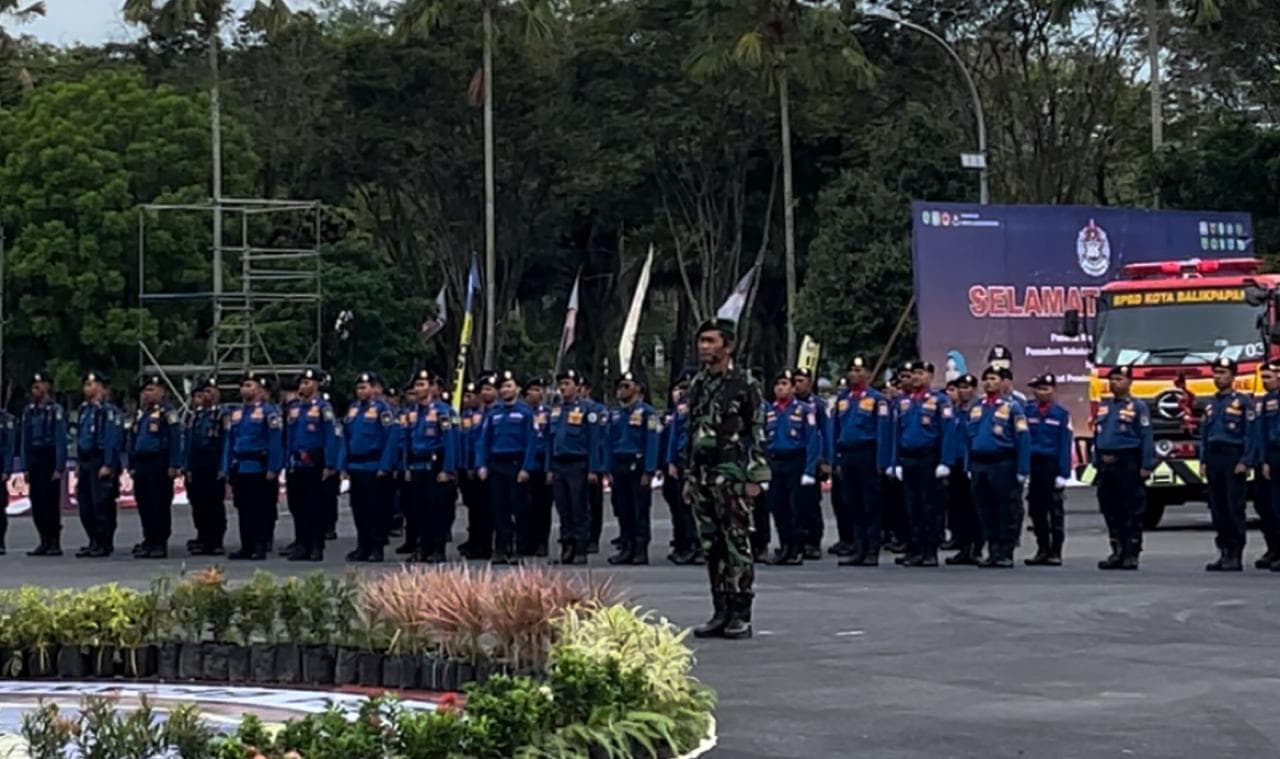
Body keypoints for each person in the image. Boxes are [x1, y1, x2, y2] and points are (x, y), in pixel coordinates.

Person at [684, 319, 768, 640]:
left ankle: (741, 612)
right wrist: (690, 477)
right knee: (711, 545)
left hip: (732, 475)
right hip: (703, 476)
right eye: (701, 341)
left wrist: (756, 475)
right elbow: (691, 431)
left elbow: (758, 430)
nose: (704, 347)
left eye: (710, 341)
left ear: (728, 346)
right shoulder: (699, 384)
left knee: (736, 543)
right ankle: (719, 610)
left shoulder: (745, 383)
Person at [961, 366, 1030, 568]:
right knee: (984, 508)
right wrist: (968, 465)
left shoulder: (1012, 407)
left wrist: (1023, 470)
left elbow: (1023, 439)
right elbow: (968, 438)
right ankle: (992, 550)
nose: (989, 382)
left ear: (1002, 382)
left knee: (1005, 508)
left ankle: (1005, 551)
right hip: (980, 463)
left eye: (993, 378)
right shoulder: (977, 407)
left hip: (1003, 462)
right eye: (986, 379)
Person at [889, 360, 955, 567]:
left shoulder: (940, 401)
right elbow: (896, 434)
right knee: (911, 506)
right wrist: (895, 462)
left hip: (929, 458)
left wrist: (945, 461)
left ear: (930, 376)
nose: (917, 377)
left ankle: (930, 551)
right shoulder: (902, 402)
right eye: (914, 373)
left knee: (930, 507)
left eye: (921, 373)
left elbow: (948, 433)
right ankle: (915, 549)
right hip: (908, 458)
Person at [833, 356, 891, 567]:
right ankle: (858, 548)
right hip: (847, 453)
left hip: (868, 453)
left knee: (871, 503)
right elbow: (836, 430)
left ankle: (872, 549)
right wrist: (835, 459)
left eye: (859, 370)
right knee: (852, 503)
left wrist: (882, 462)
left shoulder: (877, 399)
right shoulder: (843, 400)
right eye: (852, 371)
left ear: (868, 373)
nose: (855, 375)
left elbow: (883, 432)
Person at [1093, 365, 1153, 570]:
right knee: (1110, 508)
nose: (1114, 383)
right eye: (1112, 379)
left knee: (1131, 509)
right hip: (1106, 463)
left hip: (1127, 461)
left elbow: (1146, 436)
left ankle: (1131, 552)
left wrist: (1146, 464)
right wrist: (1096, 460)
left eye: (1119, 379)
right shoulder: (1105, 406)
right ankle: (1116, 550)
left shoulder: (1137, 407)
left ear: (1129, 382)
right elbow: (1098, 435)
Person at [477, 370, 539, 563]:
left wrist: (527, 467)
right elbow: (483, 441)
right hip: (497, 464)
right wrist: (481, 464)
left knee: (519, 509)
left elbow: (532, 442)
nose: (505, 390)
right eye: (502, 387)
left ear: (518, 389)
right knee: (499, 508)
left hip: (516, 463)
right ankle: (502, 548)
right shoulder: (494, 413)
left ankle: (520, 550)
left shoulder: (525, 412)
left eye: (509, 386)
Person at [222, 371, 284, 560]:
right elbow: (230, 441)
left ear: (260, 389)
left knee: (260, 508)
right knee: (243, 508)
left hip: (259, 466)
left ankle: (260, 545)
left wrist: (274, 467)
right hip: (241, 466)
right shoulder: (237, 413)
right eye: (243, 385)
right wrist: (226, 466)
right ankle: (246, 545)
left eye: (250, 385)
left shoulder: (269, 412)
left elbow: (275, 441)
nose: (244, 389)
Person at [1200, 357, 1255, 572]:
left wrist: (1246, 460)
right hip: (1214, 458)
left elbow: (1251, 434)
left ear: (1233, 376)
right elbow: (1205, 436)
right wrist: (1203, 460)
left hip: (1233, 456)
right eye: (1215, 373)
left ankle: (1235, 553)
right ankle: (1223, 552)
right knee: (1217, 507)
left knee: (1234, 507)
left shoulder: (1243, 402)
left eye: (1223, 373)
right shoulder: (1211, 404)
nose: (1218, 377)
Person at [762, 369, 820, 566]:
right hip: (775, 462)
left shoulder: (804, 410)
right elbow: (762, 442)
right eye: (778, 384)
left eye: (785, 384)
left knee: (797, 508)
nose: (780, 388)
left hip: (796, 461)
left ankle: (797, 548)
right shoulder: (769, 411)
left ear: (793, 388)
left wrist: (810, 470)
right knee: (778, 507)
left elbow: (813, 441)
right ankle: (784, 546)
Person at [546, 369, 602, 565]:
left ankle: (580, 547)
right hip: (559, 463)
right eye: (561, 384)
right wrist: (549, 468)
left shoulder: (588, 409)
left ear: (578, 387)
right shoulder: (555, 410)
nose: (563, 388)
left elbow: (594, 441)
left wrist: (594, 469)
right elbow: (549, 441)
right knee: (563, 508)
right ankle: (566, 546)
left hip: (578, 463)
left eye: (567, 383)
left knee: (579, 507)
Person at [342, 371, 399, 562]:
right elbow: (346, 437)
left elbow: (390, 439)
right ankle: (363, 545)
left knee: (376, 509)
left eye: (364, 387)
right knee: (359, 509)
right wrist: (343, 465)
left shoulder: (383, 409)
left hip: (374, 465)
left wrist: (385, 465)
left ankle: (376, 546)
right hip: (356, 465)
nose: (360, 391)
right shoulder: (353, 410)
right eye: (358, 388)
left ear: (375, 389)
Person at [284, 368, 340, 562]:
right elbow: (289, 436)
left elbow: (331, 437)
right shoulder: (294, 408)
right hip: (296, 462)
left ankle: (316, 546)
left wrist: (330, 463)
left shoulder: (324, 408)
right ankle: (301, 544)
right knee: (297, 506)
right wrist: (287, 460)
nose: (303, 386)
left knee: (315, 506)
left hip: (315, 462)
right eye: (301, 383)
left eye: (307, 383)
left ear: (316, 385)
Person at [606, 372, 661, 565]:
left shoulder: (649, 413)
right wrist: (608, 469)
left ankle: (640, 549)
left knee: (639, 508)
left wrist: (649, 470)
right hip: (619, 465)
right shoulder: (615, 414)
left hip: (637, 465)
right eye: (619, 386)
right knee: (622, 508)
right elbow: (609, 442)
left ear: (638, 388)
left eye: (626, 386)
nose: (621, 390)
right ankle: (626, 546)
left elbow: (653, 441)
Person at [404, 370, 458, 563]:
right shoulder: (413, 413)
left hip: (436, 465)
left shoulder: (443, 411)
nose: (418, 389)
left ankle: (438, 549)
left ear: (431, 387)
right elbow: (408, 441)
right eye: (416, 385)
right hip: (417, 464)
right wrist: (407, 466)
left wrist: (448, 469)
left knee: (438, 509)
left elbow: (450, 441)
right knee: (419, 510)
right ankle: (422, 548)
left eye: (422, 385)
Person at [129, 375, 182, 559]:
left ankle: (160, 542)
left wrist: (174, 463)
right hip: (142, 462)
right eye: (146, 390)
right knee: (144, 504)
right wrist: (132, 463)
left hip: (159, 461)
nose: (147, 394)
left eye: (152, 390)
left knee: (159, 503)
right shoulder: (141, 413)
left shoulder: (168, 412)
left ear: (162, 392)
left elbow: (176, 439)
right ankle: (149, 539)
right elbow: (133, 439)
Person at [73, 371, 124, 558]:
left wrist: (108, 464)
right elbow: (81, 437)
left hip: (100, 460)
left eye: (91, 384)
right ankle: (93, 540)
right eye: (85, 384)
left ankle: (104, 542)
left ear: (102, 388)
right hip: (86, 460)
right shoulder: (84, 410)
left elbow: (113, 440)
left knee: (101, 503)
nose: (87, 388)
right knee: (85, 504)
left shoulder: (109, 411)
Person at [1024, 374, 1072, 566]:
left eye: (1046, 389)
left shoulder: (1060, 413)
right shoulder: (1028, 411)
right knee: (1036, 510)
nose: (1042, 392)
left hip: (1051, 464)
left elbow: (1064, 444)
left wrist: (1063, 474)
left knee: (1054, 510)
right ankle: (1042, 548)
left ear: (1053, 390)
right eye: (1038, 389)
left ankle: (1055, 551)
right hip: (1033, 463)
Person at [21, 372, 67, 557]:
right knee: (37, 501)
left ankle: (54, 541)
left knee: (51, 502)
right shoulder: (29, 411)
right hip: (35, 458)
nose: (36, 389)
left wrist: (59, 466)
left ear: (48, 387)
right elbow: (25, 439)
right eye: (34, 386)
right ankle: (43, 540)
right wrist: (25, 466)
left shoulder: (55, 410)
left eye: (40, 385)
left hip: (49, 457)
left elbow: (60, 440)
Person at [182, 376, 226, 555]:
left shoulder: (222, 415)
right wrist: (187, 467)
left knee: (214, 503)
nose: (206, 395)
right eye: (204, 392)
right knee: (198, 503)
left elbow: (225, 442)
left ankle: (215, 540)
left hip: (213, 462)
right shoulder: (196, 416)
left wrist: (223, 467)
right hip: (197, 463)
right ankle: (202, 536)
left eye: (210, 391)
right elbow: (189, 443)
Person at [792, 368, 832, 559]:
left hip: (813, 459)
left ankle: (813, 541)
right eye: (795, 381)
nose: (798, 384)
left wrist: (826, 460)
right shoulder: (790, 405)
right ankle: (797, 541)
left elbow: (825, 433)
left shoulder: (817, 405)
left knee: (810, 503)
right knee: (794, 503)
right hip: (795, 458)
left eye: (802, 380)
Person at [943, 374, 983, 565]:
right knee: (957, 508)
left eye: (967, 387)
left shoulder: (980, 410)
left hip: (973, 463)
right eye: (960, 387)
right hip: (956, 464)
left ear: (974, 389)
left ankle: (977, 547)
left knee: (975, 508)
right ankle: (963, 546)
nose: (963, 391)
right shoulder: (953, 411)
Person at [663, 369, 700, 565]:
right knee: (681, 504)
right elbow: (674, 435)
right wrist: (670, 461)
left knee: (695, 504)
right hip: (681, 457)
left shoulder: (704, 404)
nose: (682, 392)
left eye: (686, 387)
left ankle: (697, 545)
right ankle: (686, 544)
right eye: (680, 388)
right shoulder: (681, 407)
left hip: (698, 457)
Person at [1250, 361, 1280, 571]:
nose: (1264, 382)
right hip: (1263, 459)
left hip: (1276, 457)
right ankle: (1273, 549)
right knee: (1265, 507)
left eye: (1269, 377)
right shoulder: (1264, 401)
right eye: (1263, 378)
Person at [457, 381, 490, 559]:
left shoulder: (488, 415)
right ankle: (474, 541)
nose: (466, 399)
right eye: (465, 396)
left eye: (471, 396)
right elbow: (463, 443)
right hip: (466, 467)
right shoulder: (465, 416)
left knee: (483, 509)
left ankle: (483, 544)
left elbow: (480, 444)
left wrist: (477, 465)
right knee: (472, 508)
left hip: (481, 469)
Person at [524, 377, 553, 558]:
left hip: (543, 463)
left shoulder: (550, 413)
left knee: (543, 506)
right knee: (526, 506)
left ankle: (543, 542)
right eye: (533, 389)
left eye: (539, 389)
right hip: (527, 463)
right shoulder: (523, 413)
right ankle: (528, 541)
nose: (537, 393)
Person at [580, 377, 608, 554]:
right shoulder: (565, 409)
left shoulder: (597, 410)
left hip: (594, 461)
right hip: (577, 461)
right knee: (577, 503)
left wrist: (600, 466)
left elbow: (602, 440)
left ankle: (593, 538)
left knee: (594, 503)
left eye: (583, 388)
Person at [0, 405, 15, 554]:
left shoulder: (6, 420)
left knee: (0, 509)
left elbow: (9, 446)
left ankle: (0, 542)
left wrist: (7, 469)